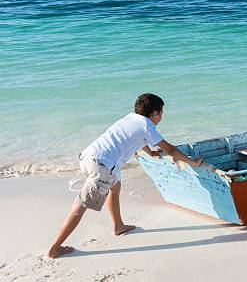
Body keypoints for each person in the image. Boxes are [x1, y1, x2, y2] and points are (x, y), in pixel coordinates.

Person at [47, 93, 202, 259]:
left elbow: (134, 139)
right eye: (161, 113)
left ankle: (118, 226)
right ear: (153, 113)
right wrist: (192, 163)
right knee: (79, 207)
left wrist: (150, 153)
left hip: (87, 157)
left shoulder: (130, 118)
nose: (161, 116)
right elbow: (170, 149)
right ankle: (55, 248)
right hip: (103, 167)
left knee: (116, 186)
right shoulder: (147, 126)